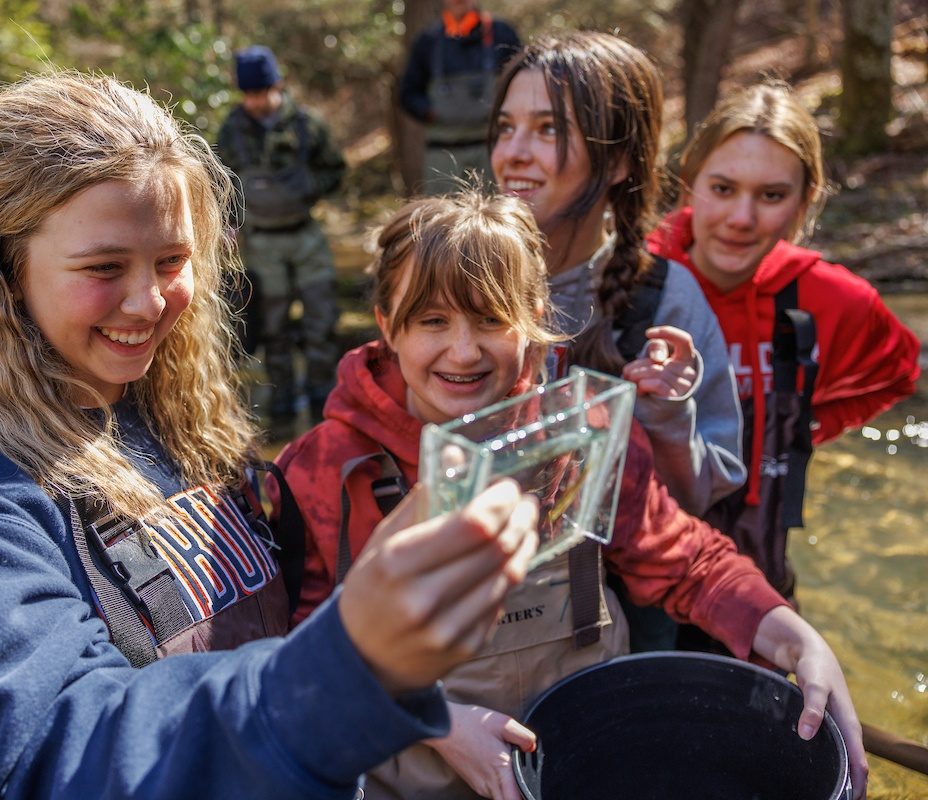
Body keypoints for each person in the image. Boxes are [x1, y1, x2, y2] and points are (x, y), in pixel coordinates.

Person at [0, 72, 546, 800]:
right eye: (103, 268)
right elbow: (55, 754)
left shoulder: (174, 423)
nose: (149, 302)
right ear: (5, 267)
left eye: (172, 261)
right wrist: (351, 665)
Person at [276, 190, 868, 800]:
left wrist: (796, 637)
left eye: (490, 319)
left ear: (534, 315)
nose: (463, 351)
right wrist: (440, 722)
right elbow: (291, 666)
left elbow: (687, 562)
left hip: (581, 761)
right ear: (385, 325)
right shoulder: (323, 470)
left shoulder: (584, 433)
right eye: (432, 321)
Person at [488, 31, 748, 651]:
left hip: (620, 632)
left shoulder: (665, 302)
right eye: (505, 127)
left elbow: (692, 506)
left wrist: (666, 416)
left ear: (622, 161)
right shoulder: (464, 278)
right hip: (483, 635)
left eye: (549, 129)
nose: (513, 154)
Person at [649, 80, 921, 610]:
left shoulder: (832, 298)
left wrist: (803, 430)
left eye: (771, 196)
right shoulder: (636, 278)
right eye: (723, 189)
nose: (741, 218)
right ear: (688, 186)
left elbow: (898, 370)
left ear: (804, 204)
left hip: (758, 562)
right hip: (642, 565)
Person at [215, 45, 345, 431]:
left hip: (306, 238)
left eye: (262, 92)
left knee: (321, 320)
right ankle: (284, 406)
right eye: (249, 94)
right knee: (273, 328)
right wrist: (228, 224)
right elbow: (221, 183)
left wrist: (309, 187)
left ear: (279, 85)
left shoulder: (307, 125)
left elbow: (335, 169)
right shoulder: (231, 130)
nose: (256, 102)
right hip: (261, 242)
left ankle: (325, 398)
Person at [399, 0, 520, 194]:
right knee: (442, 220)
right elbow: (408, 93)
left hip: (490, 150)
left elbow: (520, 82)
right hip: (443, 155)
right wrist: (431, 113)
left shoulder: (501, 34)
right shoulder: (427, 42)